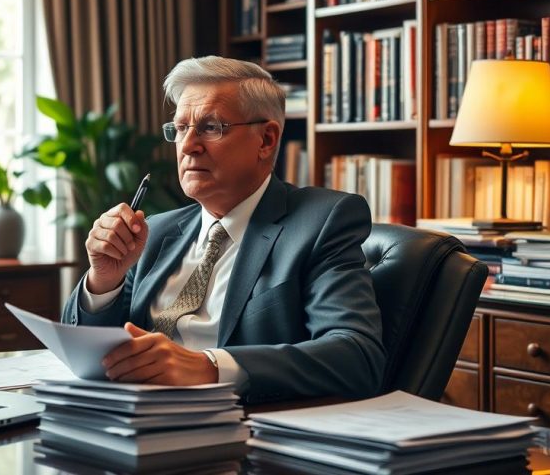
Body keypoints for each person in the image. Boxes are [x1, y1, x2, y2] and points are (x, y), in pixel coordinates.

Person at [61, 56, 385, 403]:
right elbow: (88, 356)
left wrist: (209, 367)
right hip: (127, 419)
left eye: (211, 128)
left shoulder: (322, 221)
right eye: (180, 128)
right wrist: (103, 281)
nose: (188, 146)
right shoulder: (156, 231)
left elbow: (356, 356)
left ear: (266, 139)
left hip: (235, 429)